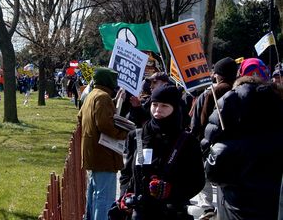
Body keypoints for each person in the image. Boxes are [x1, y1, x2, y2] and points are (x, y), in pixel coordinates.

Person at [203, 58, 283, 220]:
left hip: (234, 195)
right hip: (273, 192)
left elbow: (210, 138)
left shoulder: (229, 98)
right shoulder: (278, 97)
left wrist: (217, 155)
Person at [119, 84, 205, 220]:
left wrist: (172, 191)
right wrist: (125, 195)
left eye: (164, 106)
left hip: (172, 212)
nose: (158, 110)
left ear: (175, 108)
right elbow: (126, 174)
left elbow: (197, 181)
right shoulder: (136, 136)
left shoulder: (188, 141)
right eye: (155, 104)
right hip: (140, 213)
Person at [190, 57, 238, 220]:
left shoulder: (212, 92)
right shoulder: (242, 91)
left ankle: (208, 208)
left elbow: (200, 122)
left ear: (217, 74)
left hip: (213, 143)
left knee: (210, 176)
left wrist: (198, 139)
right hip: (236, 146)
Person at [78, 67, 129, 220]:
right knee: (104, 197)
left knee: (94, 194)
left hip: (92, 152)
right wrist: (123, 133)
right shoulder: (103, 97)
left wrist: (115, 102)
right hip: (104, 154)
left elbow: (81, 117)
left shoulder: (92, 95)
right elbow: (105, 125)